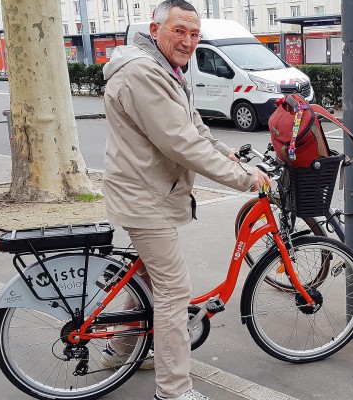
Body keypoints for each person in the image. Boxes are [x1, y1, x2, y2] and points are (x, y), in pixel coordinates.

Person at [101, 1, 270, 399]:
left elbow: (193, 128)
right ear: (155, 27)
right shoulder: (143, 73)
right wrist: (243, 179)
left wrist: (228, 153)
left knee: (145, 278)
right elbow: (180, 143)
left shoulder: (165, 69)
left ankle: (118, 349)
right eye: (179, 31)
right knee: (174, 292)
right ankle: (174, 390)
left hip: (148, 193)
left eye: (194, 34)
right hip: (145, 199)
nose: (188, 41)